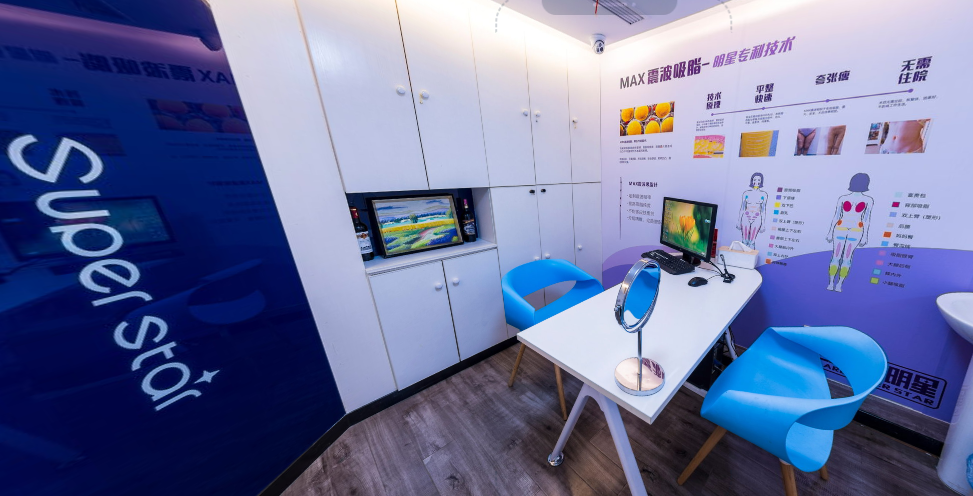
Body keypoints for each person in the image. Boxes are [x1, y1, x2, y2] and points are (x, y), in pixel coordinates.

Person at [825, 173, 874, 292]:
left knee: (838, 256)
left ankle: (834, 283)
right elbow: (865, 220)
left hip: (843, 229)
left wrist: (830, 232)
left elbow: (837, 217)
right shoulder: (867, 200)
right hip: (854, 230)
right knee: (845, 257)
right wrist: (864, 236)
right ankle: (836, 284)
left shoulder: (844, 198)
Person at [736, 172, 767, 249]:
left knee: (752, 241)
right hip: (746, 216)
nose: (756, 181)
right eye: (754, 179)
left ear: (761, 181)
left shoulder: (764, 194)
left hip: (757, 217)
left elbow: (763, 210)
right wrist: (739, 221)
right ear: (752, 180)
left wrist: (763, 224)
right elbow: (742, 208)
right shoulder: (746, 193)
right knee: (744, 240)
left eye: (759, 180)